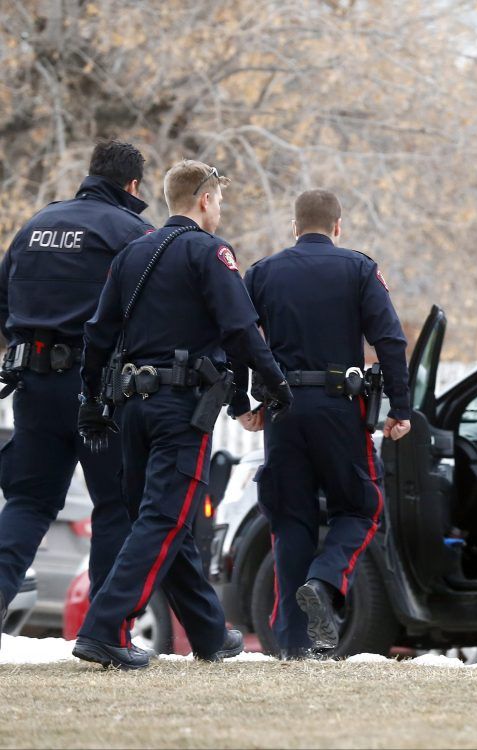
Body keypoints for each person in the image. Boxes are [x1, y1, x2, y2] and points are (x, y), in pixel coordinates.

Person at [72, 160, 292, 670]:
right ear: (203, 200)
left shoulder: (132, 253)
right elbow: (240, 329)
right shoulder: (209, 252)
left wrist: (90, 398)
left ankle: (210, 634)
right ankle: (104, 628)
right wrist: (275, 385)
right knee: (165, 519)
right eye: (219, 199)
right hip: (180, 410)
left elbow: (98, 333)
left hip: (132, 411)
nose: (221, 208)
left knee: (162, 521)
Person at [240, 189, 411, 659]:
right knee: (360, 508)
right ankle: (326, 579)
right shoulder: (358, 269)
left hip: (281, 411)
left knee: (289, 519)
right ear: (338, 227)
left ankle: (294, 644)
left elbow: (234, 336)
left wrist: (244, 401)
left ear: (294, 227)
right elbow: (390, 339)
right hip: (340, 408)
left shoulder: (261, 273)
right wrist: (401, 406)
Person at [0, 140, 153, 647]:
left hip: (34, 384)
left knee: (27, 501)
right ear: (132, 185)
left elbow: (4, 301)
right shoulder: (131, 232)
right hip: (97, 394)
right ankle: (103, 635)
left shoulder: (34, 226)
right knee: (114, 507)